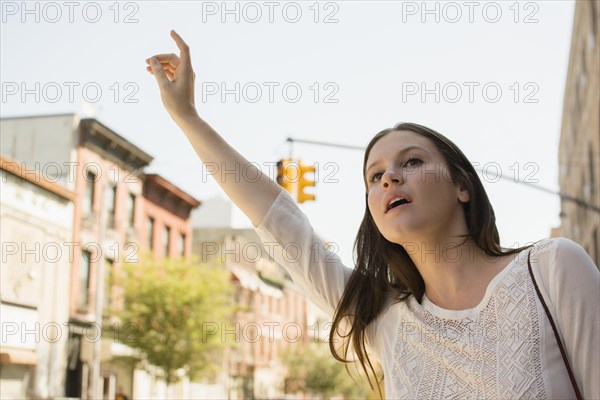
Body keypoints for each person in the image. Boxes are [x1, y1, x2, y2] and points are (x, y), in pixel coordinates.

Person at [146, 30, 599, 399]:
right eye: (374, 175)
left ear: (463, 185)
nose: (389, 179)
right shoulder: (383, 317)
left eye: (413, 162)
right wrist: (187, 117)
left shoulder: (552, 268)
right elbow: (281, 223)